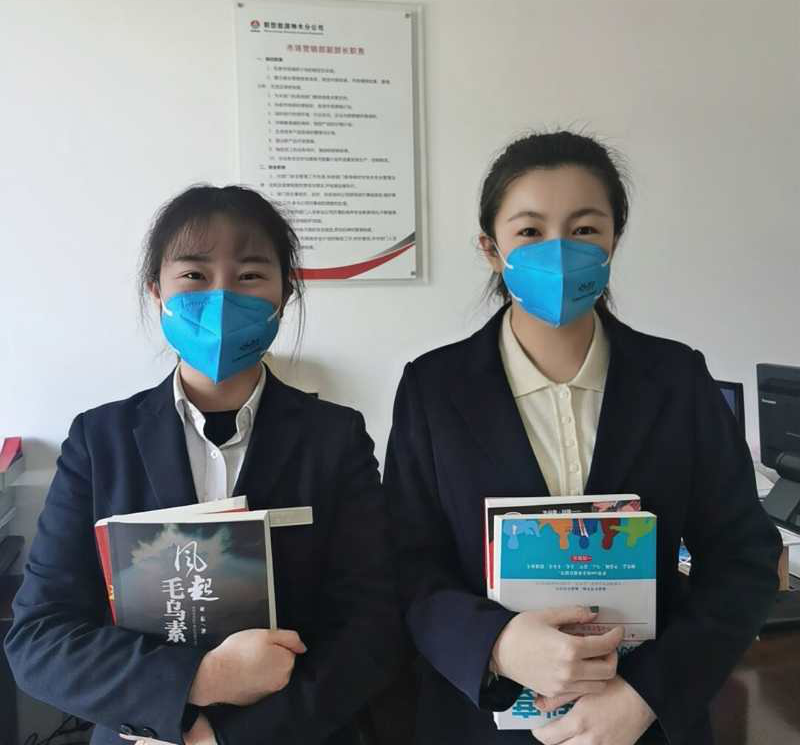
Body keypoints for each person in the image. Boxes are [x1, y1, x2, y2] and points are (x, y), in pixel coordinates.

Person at [382, 132, 781, 745]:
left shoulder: (677, 380)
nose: (560, 252)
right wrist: (496, 643)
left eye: (585, 229)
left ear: (614, 239)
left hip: (645, 725)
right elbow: (405, 564)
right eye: (530, 231)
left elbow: (745, 559)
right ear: (491, 248)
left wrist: (646, 696)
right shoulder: (433, 390)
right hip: (483, 724)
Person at [5, 185, 405, 745]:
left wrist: (227, 737)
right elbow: (40, 639)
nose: (221, 298)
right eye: (194, 275)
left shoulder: (334, 438)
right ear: (157, 291)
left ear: (285, 295)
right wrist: (196, 684)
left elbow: (372, 628)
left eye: (250, 275)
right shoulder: (100, 441)